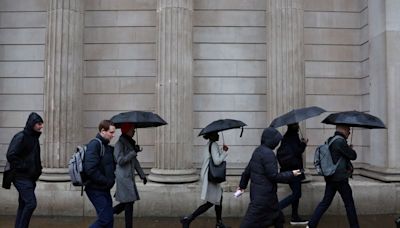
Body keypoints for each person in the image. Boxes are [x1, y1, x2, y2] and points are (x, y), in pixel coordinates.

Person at [238, 127, 302, 228]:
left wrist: (242, 186)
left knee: (279, 219)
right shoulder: (269, 154)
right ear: (271, 141)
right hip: (263, 199)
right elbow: (274, 176)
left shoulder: (257, 151)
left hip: (265, 197)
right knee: (247, 225)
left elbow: (247, 172)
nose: (277, 144)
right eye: (276, 141)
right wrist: (291, 174)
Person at [307, 125, 359, 228]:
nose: (349, 132)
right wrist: (350, 149)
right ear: (343, 129)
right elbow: (353, 156)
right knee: (349, 204)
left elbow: (338, 155)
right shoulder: (340, 141)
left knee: (325, 202)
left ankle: (311, 225)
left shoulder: (330, 140)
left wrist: (347, 149)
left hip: (330, 177)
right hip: (340, 179)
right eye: (348, 129)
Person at [180, 131, 229, 228]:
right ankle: (188, 219)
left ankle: (219, 223)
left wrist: (221, 151)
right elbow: (217, 161)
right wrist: (224, 152)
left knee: (219, 198)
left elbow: (213, 158)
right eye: (216, 133)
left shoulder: (209, 145)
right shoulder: (213, 144)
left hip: (209, 175)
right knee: (211, 202)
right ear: (212, 135)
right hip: (211, 177)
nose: (218, 135)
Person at [6, 112, 44, 228]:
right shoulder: (21, 137)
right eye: (39, 124)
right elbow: (11, 155)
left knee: (23, 204)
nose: (41, 126)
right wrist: (25, 166)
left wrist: (38, 169)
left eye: (41, 124)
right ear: (32, 124)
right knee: (31, 203)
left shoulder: (34, 138)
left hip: (30, 178)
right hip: (21, 177)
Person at [113, 123, 147, 228]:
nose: (134, 131)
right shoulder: (119, 144)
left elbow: (134, 161)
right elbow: (120, 160)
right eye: (132, 129)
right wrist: (133, 152)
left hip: (129, 177)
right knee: (128, 203)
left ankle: (109, 212)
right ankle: (111, 214)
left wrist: (142, 175)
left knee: (128, 203)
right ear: (127, 130)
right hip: (123, 177)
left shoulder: (129, 143)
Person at [84, 120, 116, 228]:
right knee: (105, 219)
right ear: (103, 131)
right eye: (111, 132)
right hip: (95, 189)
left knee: (109, 219)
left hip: (103, 189)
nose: (113, 135)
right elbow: (90, 169)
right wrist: (106, 181)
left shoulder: (106, 146)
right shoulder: (95, 144)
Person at [277, 123, 308, 225]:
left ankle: (295, 216)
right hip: (295, 170)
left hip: (288, 169)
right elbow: (297, 151)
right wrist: (304, 144)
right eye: (297, 125)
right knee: (297, 193)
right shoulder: (293, 137)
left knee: (296, 192)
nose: (299, 126)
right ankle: (277, 208)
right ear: (296, 127)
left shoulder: (286, 137)